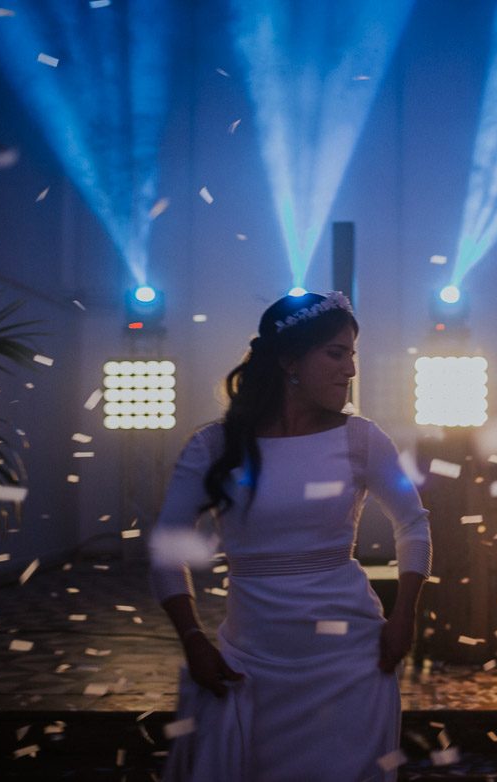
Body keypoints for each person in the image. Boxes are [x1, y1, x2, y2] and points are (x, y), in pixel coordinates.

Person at [150, 291, 432, 781]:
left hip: (351, 661)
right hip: (251, 661)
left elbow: (413, 522)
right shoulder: (214, 446)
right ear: (288, 361)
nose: (351, 370)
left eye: (353, 355)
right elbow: (166, 547)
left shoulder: (363, 438)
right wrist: (192, 638)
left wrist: (405, 611)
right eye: (335, 353)